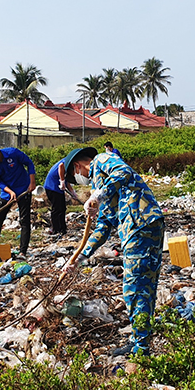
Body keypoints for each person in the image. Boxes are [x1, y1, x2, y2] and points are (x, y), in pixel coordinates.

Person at [63, 147, 164, 356]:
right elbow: (103, 226)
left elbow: (123, 172)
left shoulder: (102, 159)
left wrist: (99, 195)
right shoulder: (98, 185)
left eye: (75, 177)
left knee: (135, 289)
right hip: (143, 227)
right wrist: (80, 257)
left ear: (77, 167)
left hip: (140, 224)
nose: (80, 180)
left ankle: (141, 349)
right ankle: (139, 340)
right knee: (144, 287)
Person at [0, 141, 36, 257]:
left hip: (24, 190)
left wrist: (32, 183)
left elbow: (29, 164)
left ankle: (23, 251)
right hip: (7, 194)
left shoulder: (13, 153)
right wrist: (10, 191)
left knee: (24, 220)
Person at [43, 157, 80, 237]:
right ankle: (56, 229)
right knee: (57, 209)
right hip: (52, 187)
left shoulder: (69, 165)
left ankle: (63, 229)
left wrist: (72, 192)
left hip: (58, 189)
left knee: (62, 208)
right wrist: (62, 181)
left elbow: (67, 181)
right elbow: (61, 166)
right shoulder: (66, 162)